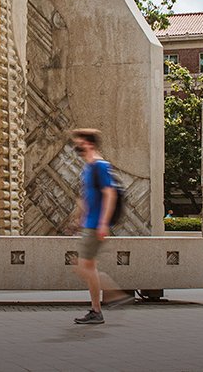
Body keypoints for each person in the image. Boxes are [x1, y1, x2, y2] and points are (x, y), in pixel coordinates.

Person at [68, 128, 132, 325]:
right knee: (88, 267)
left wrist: (103, 222)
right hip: (89, 223)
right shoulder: (88, 167)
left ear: (89, 143)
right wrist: (79, 217)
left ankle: (115, 294)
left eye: (79, 141)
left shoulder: (99, 166)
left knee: (81, 267)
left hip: (96, 224)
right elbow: (86, 196)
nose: (76, 145)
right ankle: (97, 310)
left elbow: (110, 194)